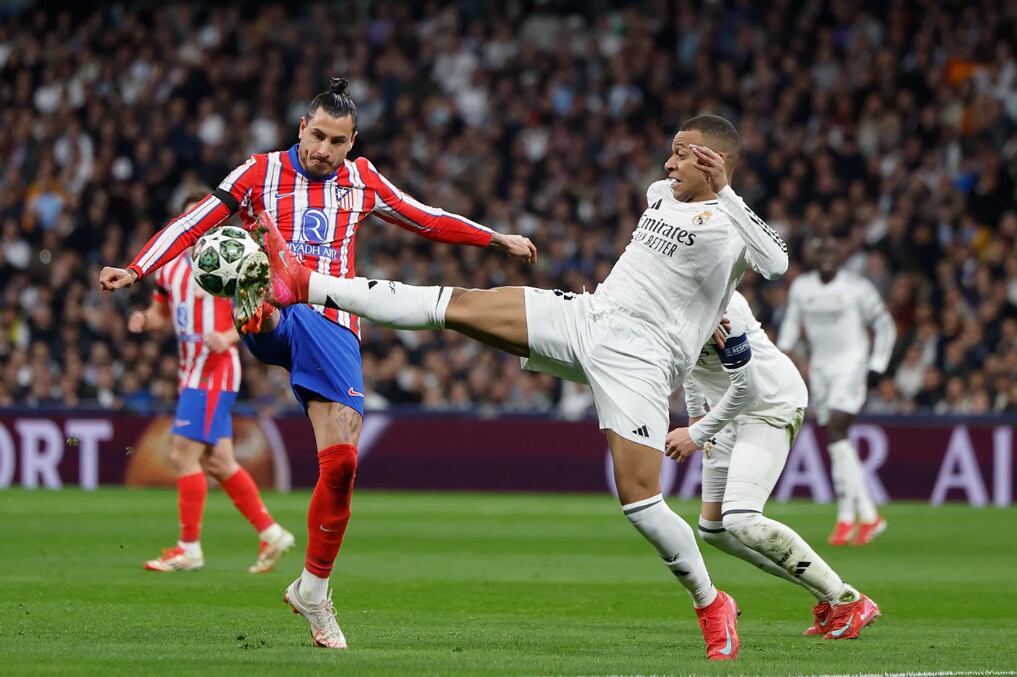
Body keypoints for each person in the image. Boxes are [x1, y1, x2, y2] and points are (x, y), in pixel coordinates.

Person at [237, 114, 789, 661]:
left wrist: (727, 193)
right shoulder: (660, 194)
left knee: (641, 502)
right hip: (589, 317)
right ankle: (307, 282)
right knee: (451, 305)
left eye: (682, 153)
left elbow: (777, 261)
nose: (668, 162)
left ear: (713, 162)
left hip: (642, 361)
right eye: (670, 150)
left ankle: (711, 602)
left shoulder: (731, 226)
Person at [99, 77, 535, 649]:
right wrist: (137, 268)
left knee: (342, 465)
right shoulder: (258, 171)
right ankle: (257, 298)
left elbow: (425, 217)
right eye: (317, 136)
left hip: (336, 327)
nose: (323, 150)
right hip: (284, 316)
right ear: (301, 127)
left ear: (352, 143)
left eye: (337, 141)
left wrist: (493, 239)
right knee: (279, 294)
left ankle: (313, 589)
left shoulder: (363, 181)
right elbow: (196, 220)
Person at [664, 291, 880, 641]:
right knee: (714, 529)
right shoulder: (670, 299)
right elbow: (689, 366)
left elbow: (747, 389)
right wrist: (696, 417)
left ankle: (846, 599)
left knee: (741, 518)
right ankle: (829, 597)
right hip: (724, 412)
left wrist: (696, 433)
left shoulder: (726, 305)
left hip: (769, 404)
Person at [129, 192, 294, 574]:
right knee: (220, 462)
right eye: (189, 222)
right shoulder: (168, 268)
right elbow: (160, 313)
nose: (196, 229)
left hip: (214, 370)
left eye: (202, 221)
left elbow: (262, 308)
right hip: (190, 371)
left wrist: (230, 337)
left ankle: (189, 548)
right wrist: (143, 320)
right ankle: (271, 533)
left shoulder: (228, 262)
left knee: (181, 455)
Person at [777, 235, 896, 546]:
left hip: (851, 365)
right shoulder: (802, 287)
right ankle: (868, 517)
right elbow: (791, 327)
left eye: (832, 249)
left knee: (837, 432)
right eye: (821, 250)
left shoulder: (858, 287)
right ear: (814, 254)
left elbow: (885, 325)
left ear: (841, 253)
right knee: (837, 441)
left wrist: (877, 366)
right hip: (820, 370)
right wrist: (781, 355)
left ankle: (846, 518)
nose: (826, 255)